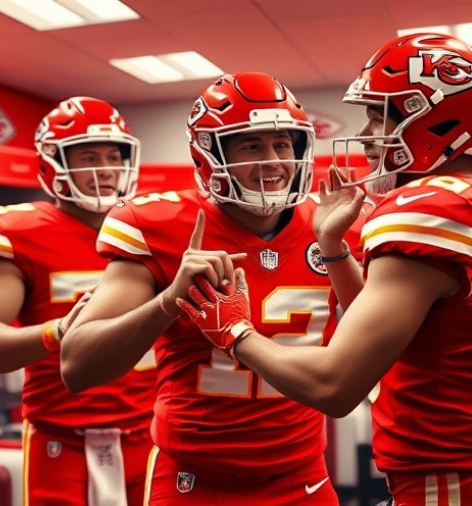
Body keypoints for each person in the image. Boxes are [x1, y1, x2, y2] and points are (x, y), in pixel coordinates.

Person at [177, 34, 472, 505]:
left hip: (453, 484)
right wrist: (333, 248)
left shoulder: (430, 209)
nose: (371, 133)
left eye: (380, 115)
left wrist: (236, 332)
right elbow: (390, 332)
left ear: (433, 119)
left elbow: (335, 386)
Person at [60, 72, 366, 505]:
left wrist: (336, 250)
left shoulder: (328, 222)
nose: (273, 160)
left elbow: (377, 343)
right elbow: (77, 366)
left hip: (303, 474)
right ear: (208, 154)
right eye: (250, 145)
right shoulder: (159, 224)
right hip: (193, 478)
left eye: (283, 144)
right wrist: (168, 302)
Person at [0, 96, 156, 506]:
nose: (105, 170)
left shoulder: (157, 228)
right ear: (53, 163)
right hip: (60, 435)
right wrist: (58, 331)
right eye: (88, 157)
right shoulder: (19, 231)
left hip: (149, 431)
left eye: (113, 156)